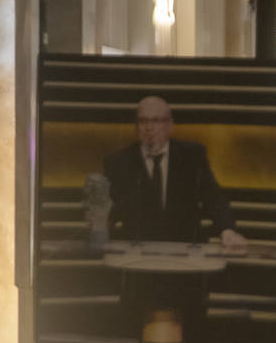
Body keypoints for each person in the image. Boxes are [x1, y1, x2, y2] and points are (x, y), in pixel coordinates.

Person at [103, 96, 246, 250]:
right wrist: (100, 224)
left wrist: (227, 230)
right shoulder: (119, 162)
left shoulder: (192, 156)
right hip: (136, 252)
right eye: (143, 121)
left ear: (170, 125)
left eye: (156, 121)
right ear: (136, 126)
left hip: (186, 249)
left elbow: (214, 198)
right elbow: (107, 211)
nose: (149, 127)